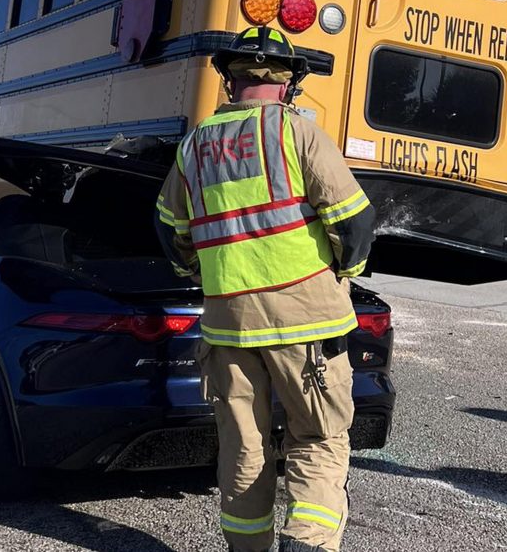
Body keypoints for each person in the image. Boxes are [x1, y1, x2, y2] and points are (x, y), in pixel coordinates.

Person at [155, 27, 377, 552]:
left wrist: (207, 276)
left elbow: (170, 229)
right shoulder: (296, 134)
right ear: (287, 84)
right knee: (318, 438)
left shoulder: (195, 146)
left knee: (242, 448)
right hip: (309, 323)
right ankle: (307, 541)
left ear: (231, 83)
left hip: (228, 325)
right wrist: (346, 271)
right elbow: (354, 223)